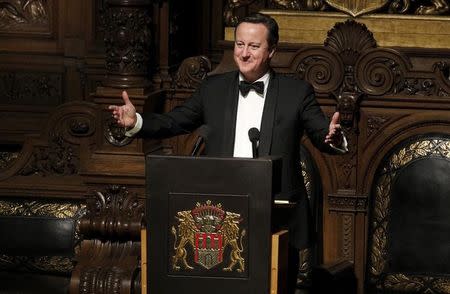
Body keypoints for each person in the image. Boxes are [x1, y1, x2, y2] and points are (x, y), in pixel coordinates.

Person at [109, 12, 346, 293]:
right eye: (239, 44)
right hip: (220, 216)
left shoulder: (297, 92)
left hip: (277, 218)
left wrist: (334, 136)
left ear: (272, 51)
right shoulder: (214, 88)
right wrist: (136, 122)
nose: (244, 54)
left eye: (254, 46)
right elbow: (176, 120)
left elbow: (322, 132)